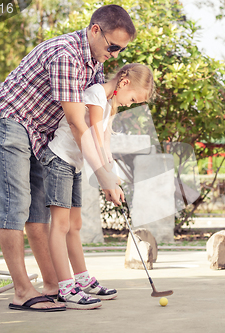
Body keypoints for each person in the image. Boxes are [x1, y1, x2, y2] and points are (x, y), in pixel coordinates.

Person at [0, 5, 132, 311]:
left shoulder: (94, 63)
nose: (114, 55)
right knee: (14, 207)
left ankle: (52, 286)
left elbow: (94, 123)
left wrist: (107, 168)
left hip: (38, 134)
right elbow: (77, 123)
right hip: (9, 122)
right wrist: (102, 176)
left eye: (120, 50)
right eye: (112, 46)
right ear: (94, 30)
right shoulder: (65, 54)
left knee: (39, 213)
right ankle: (23, 291)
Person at [42, 63, 155, 309]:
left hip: (75, 164)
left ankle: (82, 280)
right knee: (60, 225)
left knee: (75, 225)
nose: (130, 104)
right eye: (133, 98)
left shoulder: (109, 104)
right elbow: (92, 135)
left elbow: (104, 143)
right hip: (59, 159)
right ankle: (65, 287)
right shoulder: (94, 94)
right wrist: (105, 178)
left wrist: (112, 179)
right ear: (124, 83)